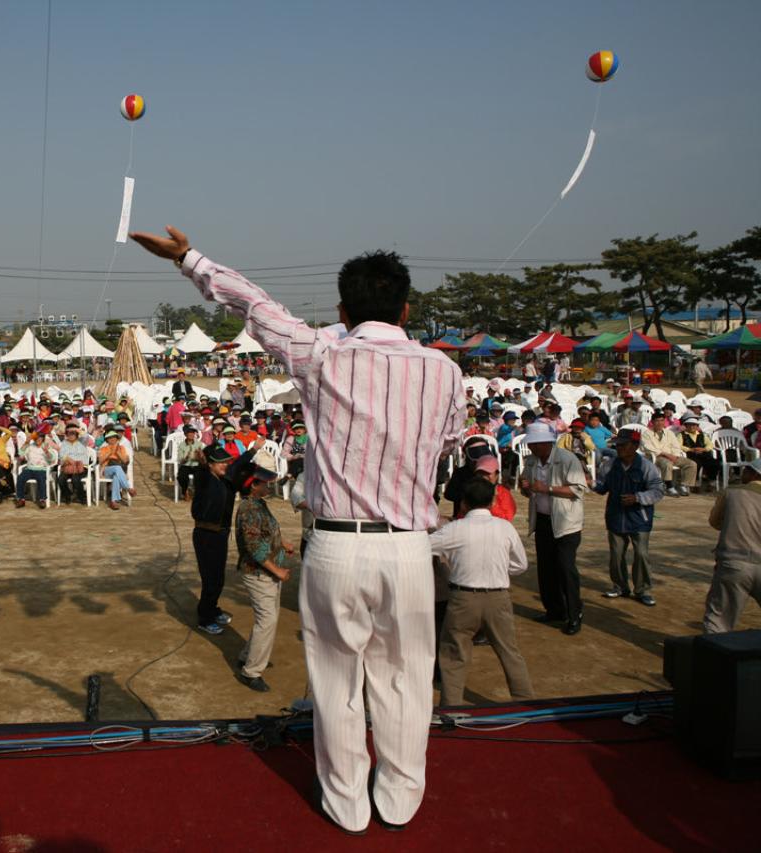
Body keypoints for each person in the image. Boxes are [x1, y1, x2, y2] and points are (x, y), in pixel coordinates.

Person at [132, 225, 464, 834]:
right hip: (411, 546)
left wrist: (188, 257)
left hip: (337, 543)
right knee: (406, 677)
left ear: (343, 309)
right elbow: (447, 442)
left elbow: (256, 304)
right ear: (406, 308)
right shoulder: (443, 372)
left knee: (336, 681)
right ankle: (399, 796)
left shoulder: (322, 354)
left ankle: (347, 802)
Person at [429, 478, 533, 707]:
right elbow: (521, 565)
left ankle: (452, 707)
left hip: (462, 598)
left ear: (463, 503)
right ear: (493, 501)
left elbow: (424, 546)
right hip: (498, 597)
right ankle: (525, 702)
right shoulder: (505, 528)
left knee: (454, 654)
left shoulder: (454, 529)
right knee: (509, 651)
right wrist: (497, 570)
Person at [233, 464, 297, 693]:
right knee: (267, 620)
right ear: (253, 485)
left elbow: (266, 534)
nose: (269, 485)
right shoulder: (249, 509)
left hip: (265, 572)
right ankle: (252, 671)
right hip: (259, 573)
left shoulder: (258, 505)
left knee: (266, 619)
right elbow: (254, 546)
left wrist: (282, 543)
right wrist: (276, 570)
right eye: (264, 482)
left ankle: (247, 656)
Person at [520, 422, 587, 635]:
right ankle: (554, 610)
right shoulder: (531, 461)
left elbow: (578, 490)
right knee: (546, 568)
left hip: (566, 522)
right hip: (543, 519)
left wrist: (547, 488)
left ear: (545, 443)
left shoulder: (567, 459)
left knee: (566, 569)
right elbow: (529, 490)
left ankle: (574, 613)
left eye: (534, 445)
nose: (531, 449)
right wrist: (526, 488)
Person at [593, 430, 665, 605]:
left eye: (623, 445)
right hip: (615, 515)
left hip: (639, 517)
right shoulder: (609, 465)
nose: (619, 448)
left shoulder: (647, 467)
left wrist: (638, 498)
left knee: (641, 553)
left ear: (635, 446)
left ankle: (643, 590)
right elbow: (602, 488)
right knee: (616, 554)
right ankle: (619, 586)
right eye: (617, 445)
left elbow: (658, 491)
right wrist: (592, 483)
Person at [189, 443, 249, 636]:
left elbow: (237, 466)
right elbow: (202, 474)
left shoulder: (225, 482)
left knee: (219, 578)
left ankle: (212, 609)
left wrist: (253, 451)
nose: (224, 465)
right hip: (206, 536)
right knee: (210, 579)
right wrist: (202, 464)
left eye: (225, 462)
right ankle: (204, 618)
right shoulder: (205, 480)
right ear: (210, 465)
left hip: (221, 535)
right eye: (220, 463)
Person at [703, 459, 761, 633]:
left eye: (746, 471)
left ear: (754, 474)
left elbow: (715, 522)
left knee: (718, 622)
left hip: (734, 563)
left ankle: (714, 659)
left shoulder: (732, 492)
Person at [641, 411, 697, 496]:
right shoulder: (646, 434)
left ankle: (683, 485)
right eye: (657, 421)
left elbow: (676, 446)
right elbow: (648, 448)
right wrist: (666, 454)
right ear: (652, 422)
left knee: (691, 464)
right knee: (666, 463)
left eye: (662, 420)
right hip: (656, 457)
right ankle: (669, 486)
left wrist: (675, 455)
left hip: (671, 456)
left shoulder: (669, 433)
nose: (660, 423)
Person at [16, 429, 57, 508]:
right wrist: (26, 442)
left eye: (40, 438)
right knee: (20, 477)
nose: (38, 439)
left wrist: (47, 452)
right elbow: (20, 453)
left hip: (42, 469)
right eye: (37, 438)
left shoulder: (46, 446)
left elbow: (52, 459)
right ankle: (21, 499)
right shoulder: (30, 446)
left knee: (41, 479)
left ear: (43, 439)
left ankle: (42, 499)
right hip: (30, 468)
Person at [97, 429, 133, 510]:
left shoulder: (122, 448)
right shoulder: (104, 448)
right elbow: (100, 461)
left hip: (119, 471)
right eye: (110, 438)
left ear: (117, 439)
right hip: (106, 470)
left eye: (114, 437)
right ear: (107, 440)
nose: (112, 439)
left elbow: (125, 461)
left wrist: (117, 453)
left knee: (116, 476)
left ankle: (114, 501)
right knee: (117, 468)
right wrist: (109, 453)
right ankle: (127, 488)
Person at [680, 417, 719, 491]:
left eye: (694, 425)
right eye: (690, 425)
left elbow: (710, 445)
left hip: (703, 454)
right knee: (696, 464)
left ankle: (711, 482)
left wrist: (704, 449)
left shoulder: (702, 435)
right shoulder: (681, 435)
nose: (692, 427)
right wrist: (690, 449)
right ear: (686, 426)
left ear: (697, 426)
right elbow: (678, 445)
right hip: (690, 454)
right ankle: (695, 483)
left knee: (714, 462)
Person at [57, 424, 91, 505]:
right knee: (60, 479)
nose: (71, 435)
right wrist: (67, 459)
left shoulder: (82, 441)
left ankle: (82, 496)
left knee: (75, 478)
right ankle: (67, 495)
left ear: (76, 434)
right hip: (68, 466)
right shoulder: (64, 443)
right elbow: (61, 455)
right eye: (69, 433)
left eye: (73, 433)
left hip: (81, 466)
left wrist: (76, 429)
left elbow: (86, 436)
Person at [175, 424, 202, 500]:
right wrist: (186, 457)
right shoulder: (181, 445)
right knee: (181, 476)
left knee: (201, 475)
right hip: (185, 465)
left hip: (196, 465)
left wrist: (200, 456)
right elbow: (181, 460)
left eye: (193, 433)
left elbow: (203, 458)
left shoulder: (199, 444)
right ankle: (185, 491)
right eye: (189, 432)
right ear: (185, 434)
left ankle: (198, 492)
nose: (191, 434)